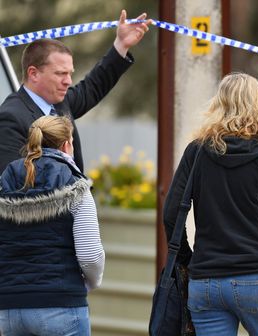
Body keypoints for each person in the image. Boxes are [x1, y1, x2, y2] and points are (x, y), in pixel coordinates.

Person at [162, 73, 258, 336]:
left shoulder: (197, 152)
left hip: (206, 282)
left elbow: (170, 213)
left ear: (218, 104)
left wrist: (189, 260)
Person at [0, 9, 151, 174]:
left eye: (70, 73)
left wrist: (121, 45)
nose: (68, 81)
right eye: (60, 73)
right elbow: (13, 184)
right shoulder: (11, 118)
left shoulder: (59, 102)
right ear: (33, 73)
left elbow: (93, 86)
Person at [0, 115, 104, 335]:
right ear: (67, 144)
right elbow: (90, 255)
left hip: (8, 307)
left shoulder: (4, 181)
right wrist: (91, 283)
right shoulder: (75, 185)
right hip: (61, 303)